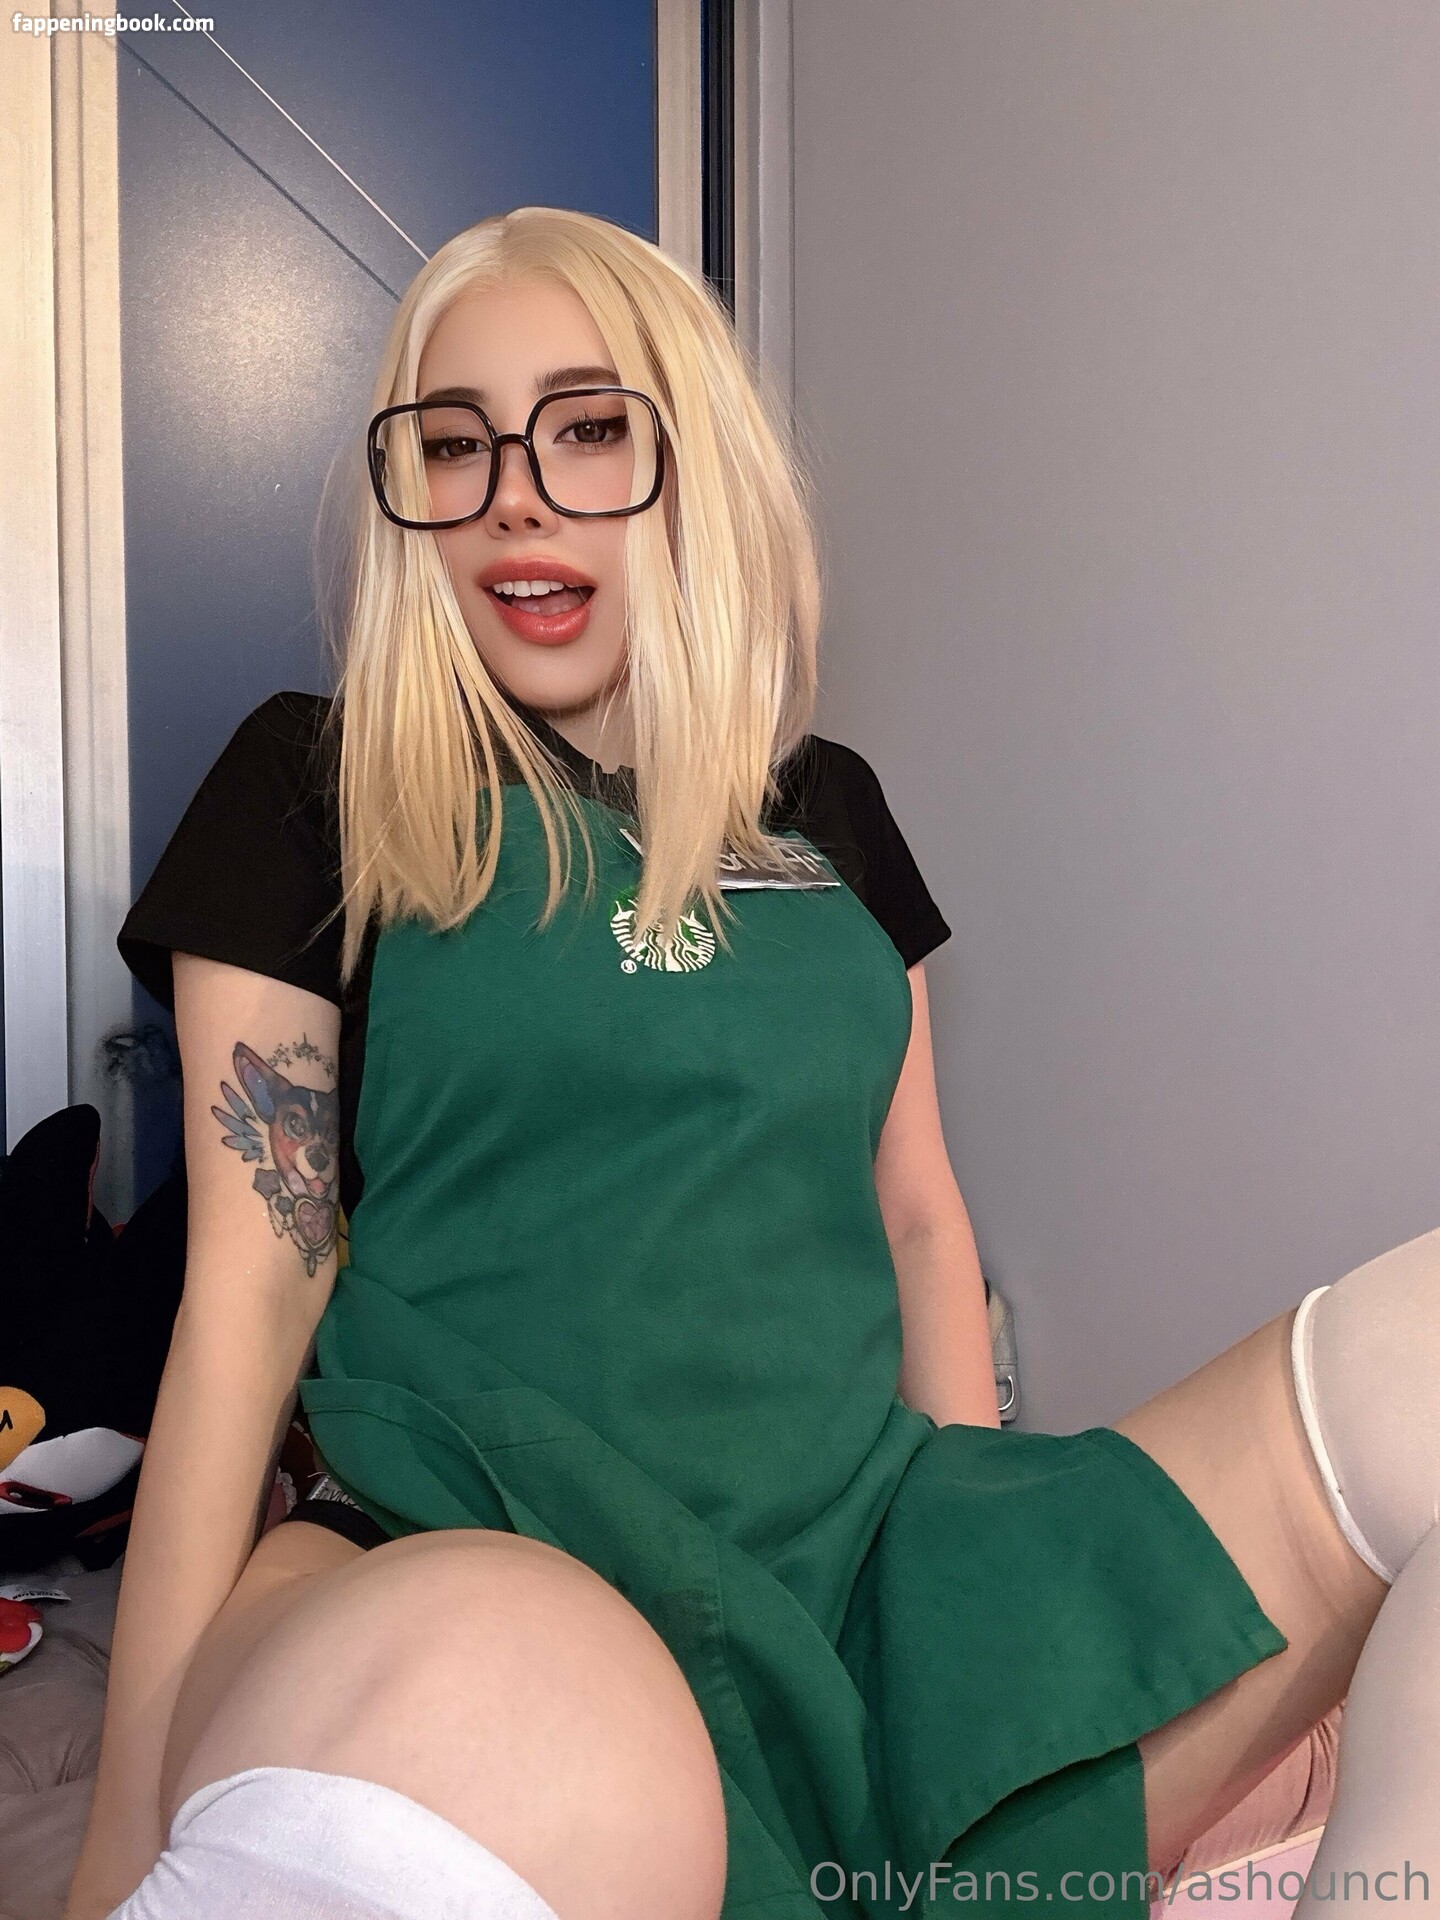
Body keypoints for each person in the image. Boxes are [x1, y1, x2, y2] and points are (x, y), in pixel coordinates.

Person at [67, 207, 1438, 1919]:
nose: (513, 497)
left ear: (693, 466)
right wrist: (122, 1822)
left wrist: (973, 1566)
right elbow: (251, 1288)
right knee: (539, 1705)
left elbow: (919, 1218)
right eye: (455, 443)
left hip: (849, 1555)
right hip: (460, 1543)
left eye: (588, 429)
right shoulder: (318, 780)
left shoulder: (830, 808)